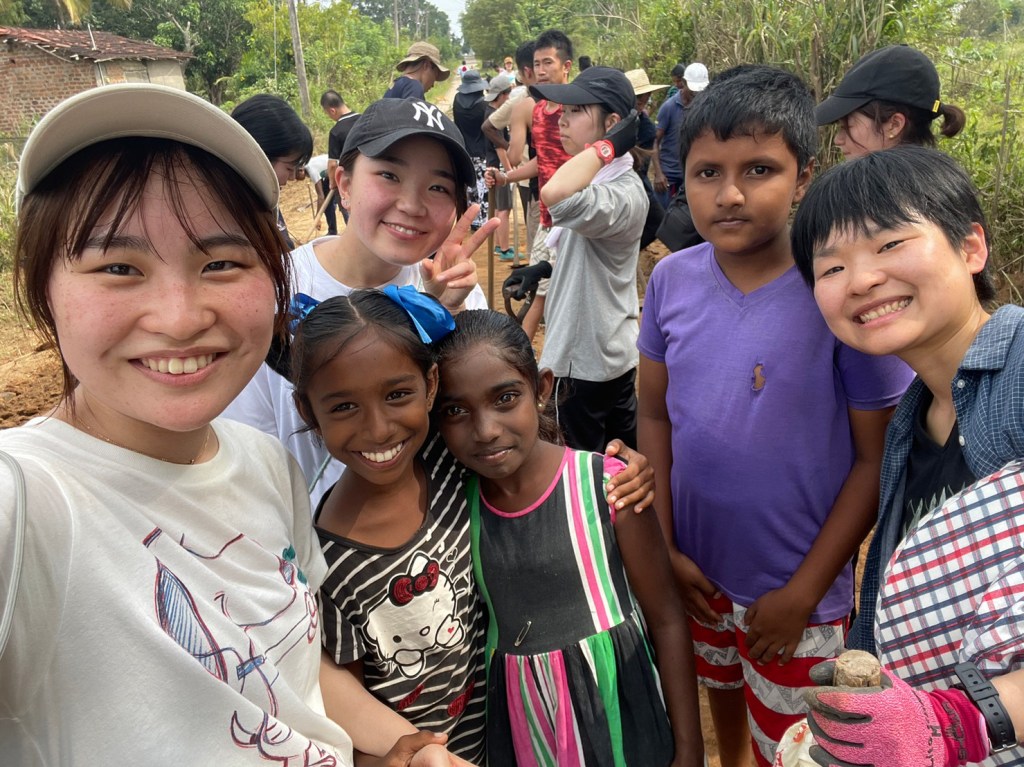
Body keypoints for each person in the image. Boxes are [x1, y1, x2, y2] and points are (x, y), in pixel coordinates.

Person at [0, 82, 470, 767]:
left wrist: (410, 747)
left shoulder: (265, 464)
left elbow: (288, 666)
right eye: (119, 266)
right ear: (42, 287)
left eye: (220, 263)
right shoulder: (26, 504)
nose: (180, 317)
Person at [636, 66, 914, 767]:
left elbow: (875, 458)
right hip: (697, 574)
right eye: (707, 172)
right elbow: (655, 415)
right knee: (721, 691)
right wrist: (666, 547)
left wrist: (804, 591)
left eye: (758, 169)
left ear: (802, 178)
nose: (729, 194)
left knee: (791, 744)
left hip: (798, 599)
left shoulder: (839, 292)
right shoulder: (670, 280)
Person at [789, 146, 1024, 765]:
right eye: (831, 267)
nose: (861, 279)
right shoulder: (908, 425)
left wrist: (961, 723)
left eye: (890, 243)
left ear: (971, 247)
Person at [433, 309, 705, 767]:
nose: (486, 430)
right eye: (455, 410)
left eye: (505, 398)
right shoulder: (458, 507)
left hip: (624, 720)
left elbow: (668, 619)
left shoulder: (609, 487)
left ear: (542, 388)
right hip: (525, 731)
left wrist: (690, 750)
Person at [223, 98, 497, 506]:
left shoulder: (458, 290)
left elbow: (479, 421)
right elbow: (245, 445)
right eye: (389, 175)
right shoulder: (271, 293)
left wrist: (449, 318)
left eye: (439, 187)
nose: (412, 205)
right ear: (345, 184)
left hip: (437, 526)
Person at [524, 66, 648, 450]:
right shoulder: (600, 180)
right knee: (618, 464)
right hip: (606, 353)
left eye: (576, 111)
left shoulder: (622, 192)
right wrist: (546, 269)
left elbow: (555, 194)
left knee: (580, 470)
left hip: (583, 362)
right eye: (563, 111)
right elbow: (592, 255)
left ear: (612, 124)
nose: (561, 120)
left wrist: (607, 146)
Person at [485, 29, 575, 341]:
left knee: (553, 295)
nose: (541, 70)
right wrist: (505, 176)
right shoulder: (537, 110)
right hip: (549, 217)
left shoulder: (578, 108)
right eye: (537, 64)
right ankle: (526, 357)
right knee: (539, 291)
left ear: (566, 66)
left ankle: (546, 356)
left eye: (548, 62)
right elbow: (542, 162)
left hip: (575, 217)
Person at [815, 44, 966, 159]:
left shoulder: (865, 189)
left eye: (848, 126)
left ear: (894, 125)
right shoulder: (946, 184)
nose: (838, 140)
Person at [231, 93, 313, 250]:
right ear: (260, 156)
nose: (292, 177)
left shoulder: (264, 200)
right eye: (289, 168)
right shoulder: (230, 213)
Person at [482, 41, 538, 257]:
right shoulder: (521, 102)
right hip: (530, 179)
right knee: (536, 237)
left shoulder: (525, 100)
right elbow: (489, 128)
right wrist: (513, 148)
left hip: (536, 176)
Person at [651, 61, 707, 211]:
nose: (696, 95)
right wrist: (658, 173)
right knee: (663, 217)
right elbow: (655, 141)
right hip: (669, 176)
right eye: (693, 90)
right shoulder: (669, 107)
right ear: (684, 83)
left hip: (692, 175)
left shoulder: (704, 108)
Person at [482, 72, 516, 260]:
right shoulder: (496, 117)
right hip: (498, 167)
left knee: (497, 207)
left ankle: (497, 245)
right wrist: (509, 172)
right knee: (504, 208)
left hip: (491, 165)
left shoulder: (488, 111)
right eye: (508, 95)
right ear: (502, 95)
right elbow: (500, 148)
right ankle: (504, 249)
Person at [453, 70, 490, 229]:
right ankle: (483, 220)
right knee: (483, 186)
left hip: (464, 149)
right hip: (481, 152)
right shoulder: (483, 105)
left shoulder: (456, 100)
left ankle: (471, 219)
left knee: (470, 185)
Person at [321, 89, 359, 231]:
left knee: (351, 216)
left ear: (332, 110)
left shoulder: (336, 131)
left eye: (327, 113)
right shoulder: (365, 119)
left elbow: (332, 165)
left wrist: (332, 183)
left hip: (350, 180)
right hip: (371, 175)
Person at [385, 42, 450, 101]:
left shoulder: (396, 84)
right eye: (435, 74)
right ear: (426, 65)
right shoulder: (414, 87)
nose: (433, 85)